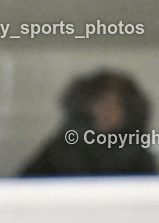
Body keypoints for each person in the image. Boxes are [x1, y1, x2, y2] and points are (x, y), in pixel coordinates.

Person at [21, 69, 157, 176]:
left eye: (117, 104)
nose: (107, 111)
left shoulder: (137, 154)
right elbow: (24, 190)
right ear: (85, 106)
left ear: (129, 111)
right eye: (100, 102)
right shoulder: (61, 150)